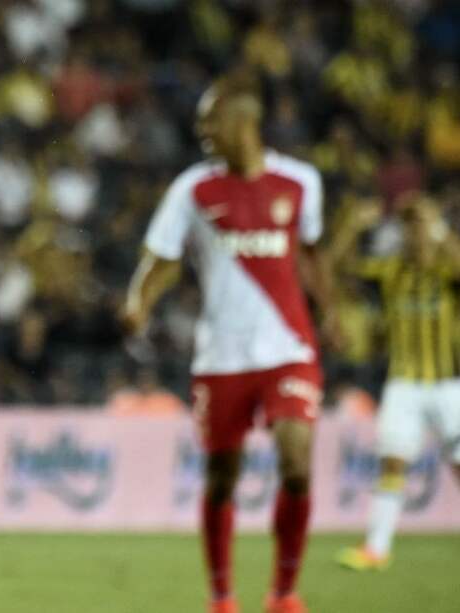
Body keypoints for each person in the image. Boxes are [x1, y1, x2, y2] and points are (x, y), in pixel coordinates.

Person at [122, 73, 339, 613]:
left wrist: (332, 310)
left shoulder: (300, 181)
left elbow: (310, 253)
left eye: (209, 120)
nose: (201, 131)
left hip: (289, 347)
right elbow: (163, 259)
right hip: (221, 357)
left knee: (296, 461)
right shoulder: (193, 189)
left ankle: (284, 592)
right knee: (222, 478)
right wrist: (138, 302)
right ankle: (222, 597)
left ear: (242, 121)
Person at [332, 192, 460, 571]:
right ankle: (376, 549)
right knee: (392, 463)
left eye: (420, 225)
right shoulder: (391, 271)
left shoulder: (446, 270)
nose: (414, 234)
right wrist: (352, 226)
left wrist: (440, 230)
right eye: (409, 226)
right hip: (403, 384)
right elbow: (338, 266)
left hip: (447, 384)